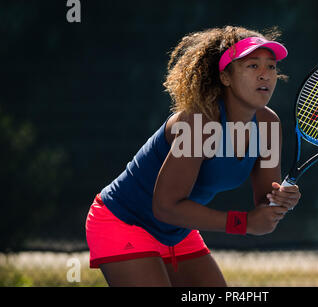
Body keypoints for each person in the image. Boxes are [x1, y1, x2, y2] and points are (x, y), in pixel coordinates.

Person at [85, 25, 301, 287]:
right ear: (226, 78)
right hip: (124, 221)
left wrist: (282, 200)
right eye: (253, 66)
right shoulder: (197, 124)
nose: (265, 74)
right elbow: (165, 206)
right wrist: (242, 223)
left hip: (177, 231)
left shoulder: (268, 126)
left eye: (271, 67)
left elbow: (265, 201)